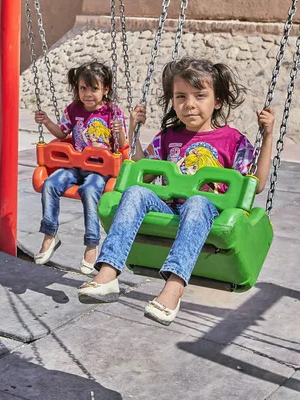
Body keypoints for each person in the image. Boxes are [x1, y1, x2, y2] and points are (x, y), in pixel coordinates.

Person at [77, 58, 275, 325]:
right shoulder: (168, 137)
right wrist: (134, 131)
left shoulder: (232, 140)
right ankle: (108, 272)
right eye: (180, 96)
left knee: (197, 201)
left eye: (200, 96)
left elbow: (257, 184)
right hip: (170, 208)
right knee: (135, 192)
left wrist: (268, 136)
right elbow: (142, 172)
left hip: (207, 213)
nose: (189, 104)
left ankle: (174, 287)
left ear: (217, 101)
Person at [34, 61, 127, 274]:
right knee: (50, 184)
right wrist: (47, 121)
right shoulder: (73, 110)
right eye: (83, 88)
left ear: (105, 90)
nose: (88, 94)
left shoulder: (112, 113)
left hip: (99, 170)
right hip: (74, 166)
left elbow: (122, 146)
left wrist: (119, 130)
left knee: (90, 189)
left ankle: (92, 243)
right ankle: (50, 235)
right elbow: (61, 133)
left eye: (94, 89)